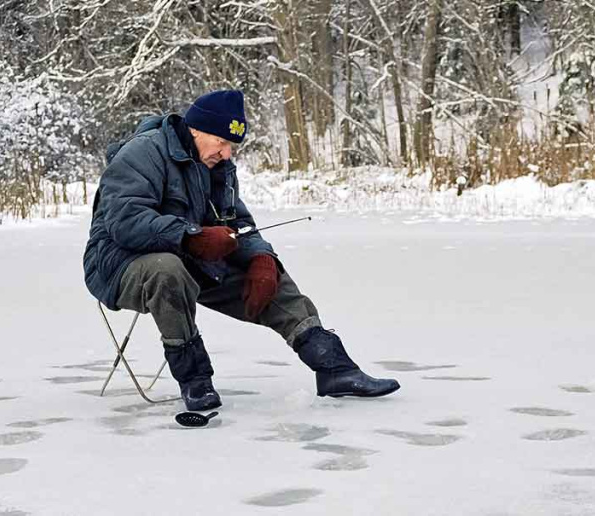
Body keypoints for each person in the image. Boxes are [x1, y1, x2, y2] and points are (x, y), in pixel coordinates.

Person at [83, 90, 399, 411]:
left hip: (187, 256)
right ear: (196, 130)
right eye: (221, 142)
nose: (227, 153)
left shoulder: (218, 167)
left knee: (265, 271)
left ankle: (334, 368)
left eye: (232, 146)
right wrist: (190, 236)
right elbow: (124, 221)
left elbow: (239, 223)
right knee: (167, 269)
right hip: (118, 264)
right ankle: (195, 381)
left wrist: (260, 256)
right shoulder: (143, 153)